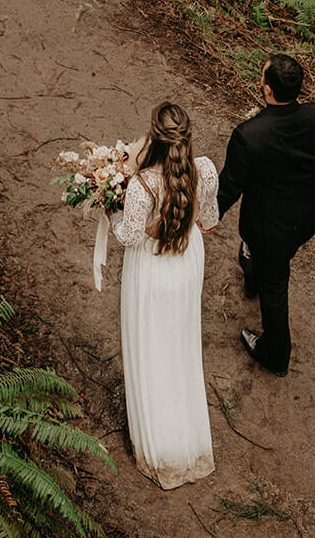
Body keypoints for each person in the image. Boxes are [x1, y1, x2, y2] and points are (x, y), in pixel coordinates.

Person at [111, 101, 219, 490]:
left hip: (152, 270)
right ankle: (187, 433)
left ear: (153, 139)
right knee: (179, 345)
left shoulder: (141, 186)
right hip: (187, 265)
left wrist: (112, 210)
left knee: (151, 346)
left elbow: (127, 236)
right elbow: (210, 221)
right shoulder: (204, 171)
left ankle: (158, 442)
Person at [217, 53, 315, 378]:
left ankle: (275, 353)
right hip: (305, 218)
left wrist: (206, 217)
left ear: (268, 91)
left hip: (269, 228)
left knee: (275, 284)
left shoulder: (250, 134)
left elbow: (230, 186)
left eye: (262, 76)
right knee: (262, 260)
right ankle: (252, 273)